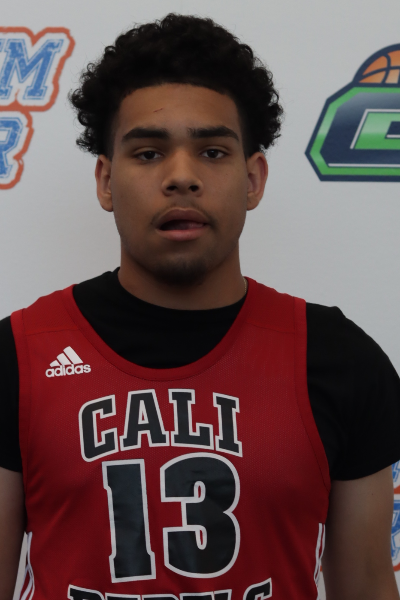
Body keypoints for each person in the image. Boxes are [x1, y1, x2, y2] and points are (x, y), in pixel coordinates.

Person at [0, 13, 400, 600]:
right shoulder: (18, 355)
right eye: (148, 153)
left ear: (253, 178)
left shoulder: (339, 359)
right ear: (106, 181)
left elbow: (366, 585)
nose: (182, 177)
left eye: (212, 152)